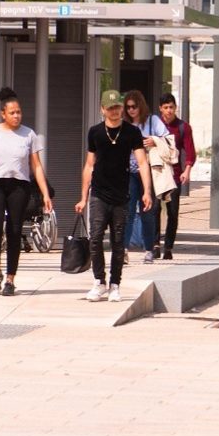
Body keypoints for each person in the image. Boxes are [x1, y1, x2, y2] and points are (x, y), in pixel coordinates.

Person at [0, 88, 54, 296]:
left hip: (19, 186)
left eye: (19, 112)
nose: (16, 116)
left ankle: (10, 279)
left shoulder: (29, 134)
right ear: (3, 113)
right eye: (12, 112)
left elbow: (36, 166)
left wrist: (45, 194)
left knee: (15, 231)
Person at [76, 90, 153, 303]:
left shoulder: (131, 133)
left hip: (122, 195)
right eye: (110, 108)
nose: (115, 111)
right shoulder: (95, 133)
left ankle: (115, 285)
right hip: (99, 194)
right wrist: (83, 197)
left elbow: (143, 162)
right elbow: (89, 165)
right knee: (96, 238)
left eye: (118, 107)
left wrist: (146, 191)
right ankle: (99, 281)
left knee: (119, 242)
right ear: (103, 109)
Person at [150, 93, 196, 260]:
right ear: (161, 109)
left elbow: (190, 151)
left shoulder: (183, 127)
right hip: (156, 173)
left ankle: (168, 247)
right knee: (154, 209)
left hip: (174, 174)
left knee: (172, 212)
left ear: (175, 107)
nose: (169, 110)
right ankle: (155, 244)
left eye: (172, 107)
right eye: (166, 107)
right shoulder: (154, 125)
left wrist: (187, 170)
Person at [131, 91, 170, 264]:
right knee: (128, 210)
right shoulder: (126, 124)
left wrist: (155, 140)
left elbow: (168, 138)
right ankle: (124, 249)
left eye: (134, 106)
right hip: (130, 172)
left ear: (141, 105)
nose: (131, 110)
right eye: (128, 107)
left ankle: (150, 248)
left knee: (148, 210)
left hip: (149, 171)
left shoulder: (152, 121)